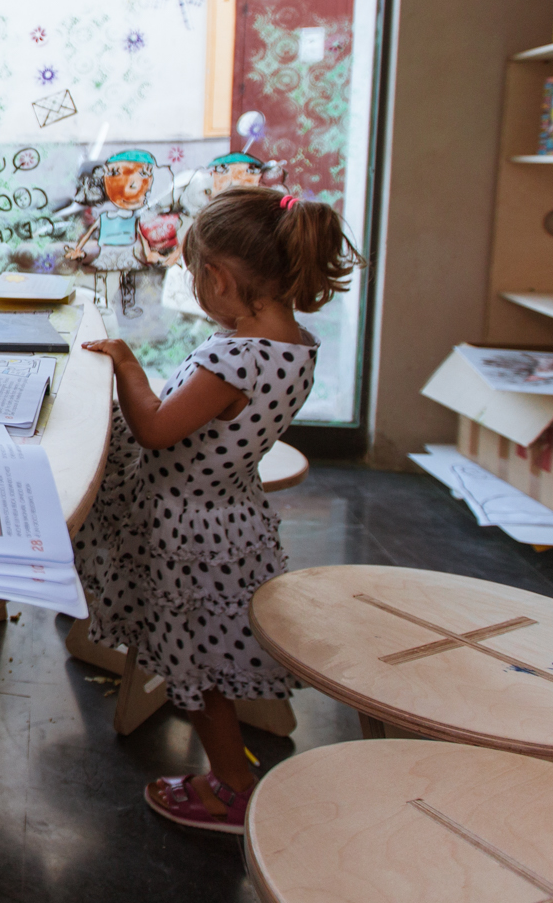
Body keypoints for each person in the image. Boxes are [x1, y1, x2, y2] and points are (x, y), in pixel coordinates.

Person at [73, 186, 361, 835]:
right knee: (207, 655)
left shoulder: (232, 358)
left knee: (196, 670)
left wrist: (127, 364)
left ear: (220, 279)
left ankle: (231, 786)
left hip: (186, 529)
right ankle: (231, 773)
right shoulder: (296, 346)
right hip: (231, 515)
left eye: (193, 274)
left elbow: (155, 428)